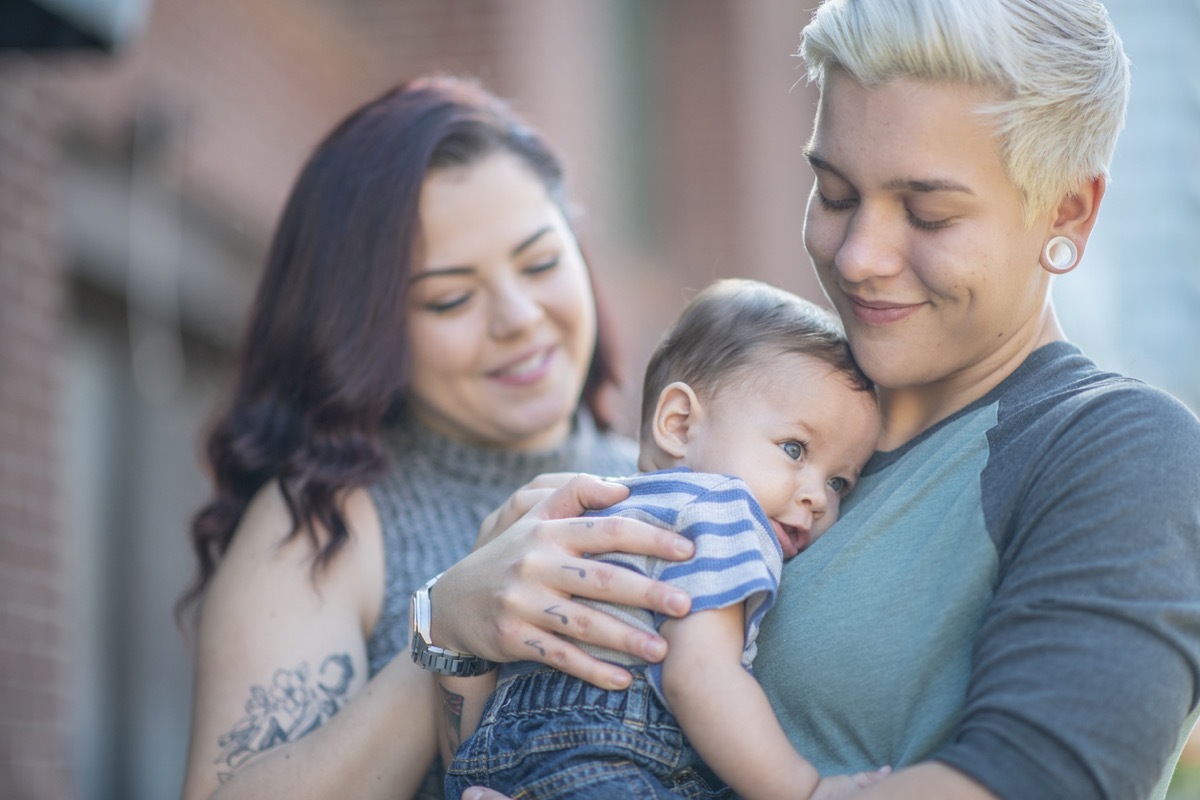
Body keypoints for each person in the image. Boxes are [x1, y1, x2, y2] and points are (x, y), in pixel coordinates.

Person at [418, 2, 1200, 799]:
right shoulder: (736, 429)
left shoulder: (1120, 451)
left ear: (1067, 209)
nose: (859, 257)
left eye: (928, 213)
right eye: (833, 193)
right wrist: (454, 631)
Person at [176, 75, 658, 800]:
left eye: (540, 263)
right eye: (450, 298)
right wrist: (449, 633)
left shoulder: (673, 482)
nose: (518, 317)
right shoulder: (324, 522)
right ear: (366, 331)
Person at [441, 279, 884, 800]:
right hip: (616, 750)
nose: (816, 497)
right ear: (678, 424)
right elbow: (698, 673)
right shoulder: (725, 508)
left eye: (839, 483)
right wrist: (805, 790)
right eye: (794, 448)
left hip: (494, 756)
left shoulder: (592, 513)